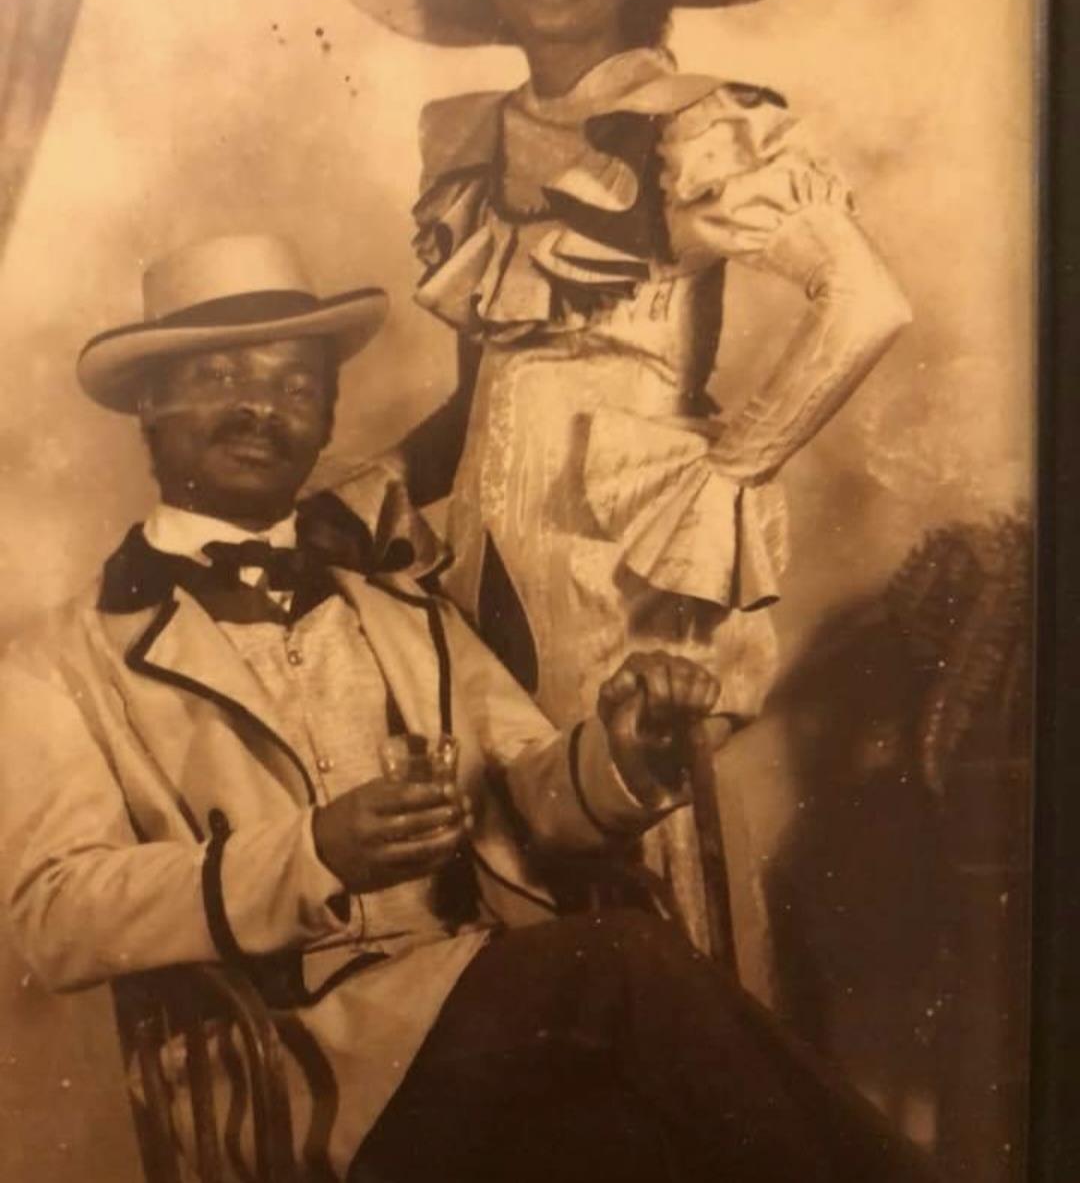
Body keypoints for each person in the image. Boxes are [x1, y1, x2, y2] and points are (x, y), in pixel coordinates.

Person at [0, 234, 936, 1183]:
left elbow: (527, 785)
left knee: (639, 1145)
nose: (259, 407)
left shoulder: (403, 609)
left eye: (294, 385)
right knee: (620, 964)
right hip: (279, 1069)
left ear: (326, 418)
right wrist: (312, 853)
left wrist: (623, 750)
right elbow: (54, 914)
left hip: (474, 1034)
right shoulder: (54, 660)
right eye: (220, 375)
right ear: (151, 402)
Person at [255, 0, 913, 962]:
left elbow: (865, 303)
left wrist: (723, 477)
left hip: (628, 567)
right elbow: (491, 392)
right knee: (508, 848)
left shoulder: (696, 126)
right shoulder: (468, 140)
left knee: (641, 849)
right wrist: (366, 491)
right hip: (486, 565)